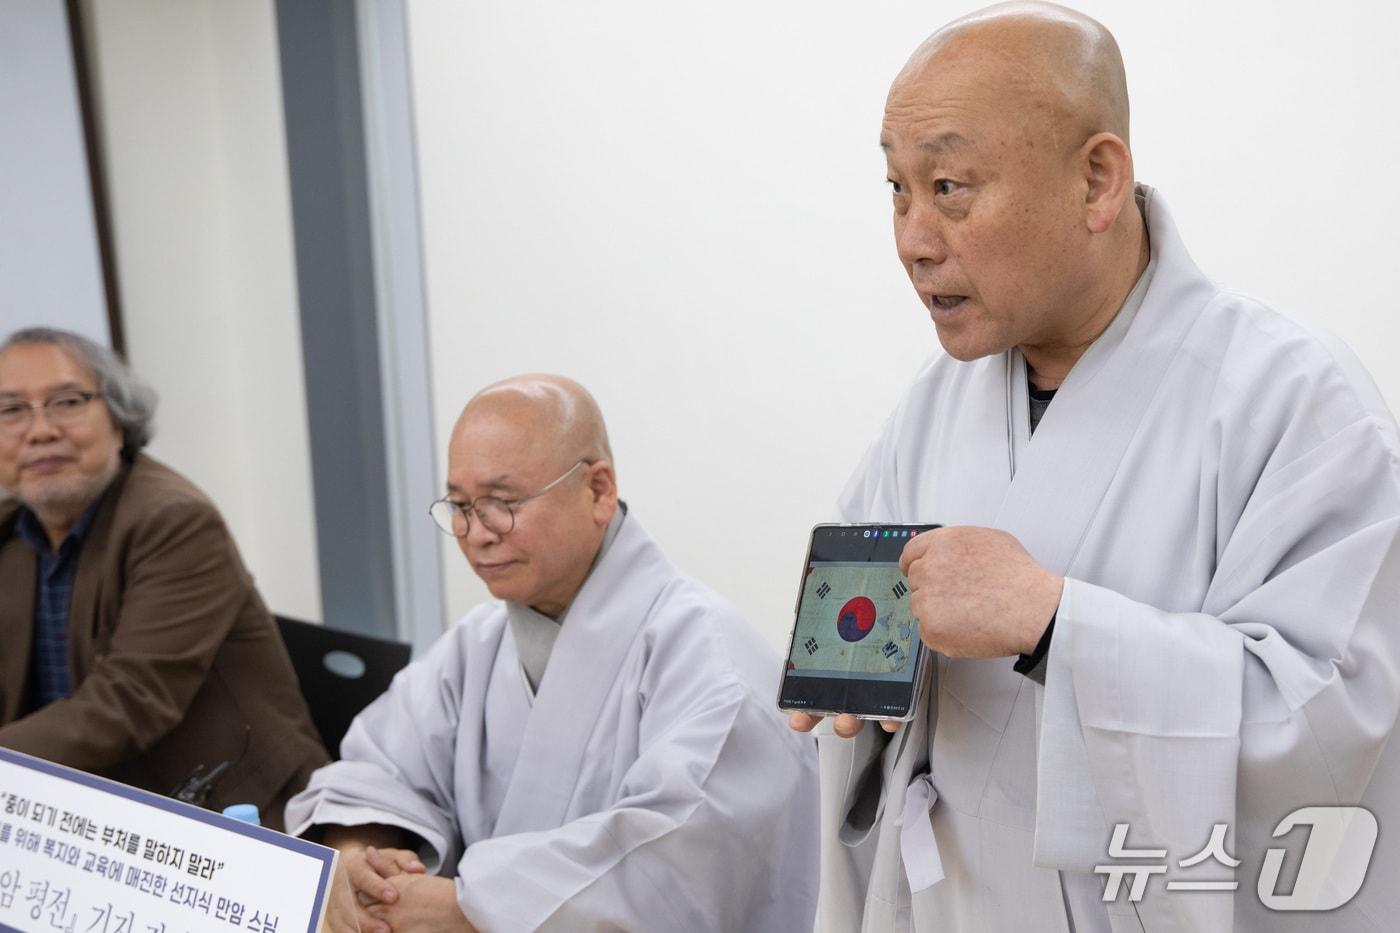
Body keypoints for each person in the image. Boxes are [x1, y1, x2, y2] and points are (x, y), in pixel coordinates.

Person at [790, 3, 1400, 931]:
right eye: (897, 190)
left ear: (1097, 180)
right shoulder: (932, 407)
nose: (913, 238)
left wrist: (1055, 623)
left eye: (949, 186)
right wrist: (855, 688)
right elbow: (865, 693)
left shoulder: (1295, 400)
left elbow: (1333, 731)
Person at [289, 374, 819, 933]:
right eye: (460, 506)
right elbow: (382, 769)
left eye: (501, 502)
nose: (476, 533)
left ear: (598, 491)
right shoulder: (477, 644)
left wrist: (468, 912)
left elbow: (676, 866)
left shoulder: (711, 660)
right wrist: (359, 858)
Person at [0, 327, 327, 830]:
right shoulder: (13, 530)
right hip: (74, 811)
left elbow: (130, 699)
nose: (40, 431)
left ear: (118, 418)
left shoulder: (174, 521)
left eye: (66, 402)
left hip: (224, 818)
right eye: (11, 410)